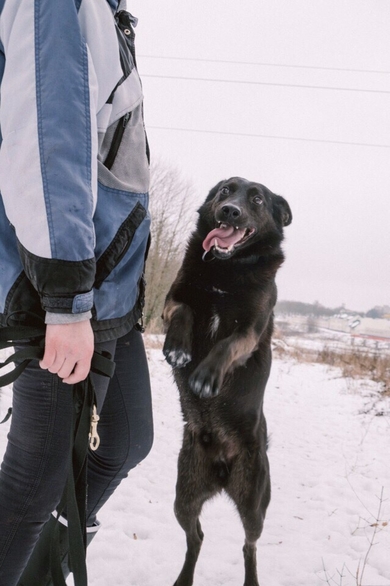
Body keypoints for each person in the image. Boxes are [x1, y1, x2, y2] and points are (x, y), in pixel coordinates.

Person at [0, 1, 153, 584]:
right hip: (62, 285)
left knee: (127, 437)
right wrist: (65, 301)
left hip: (109, 285)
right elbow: (49, 135)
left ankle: (43, 564)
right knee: (35, 479)